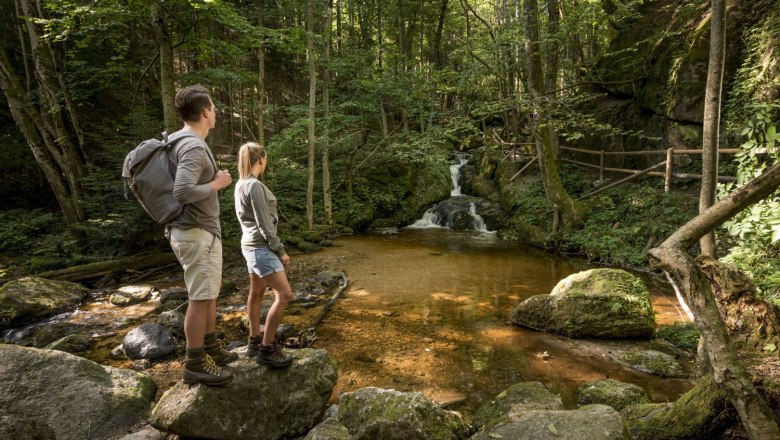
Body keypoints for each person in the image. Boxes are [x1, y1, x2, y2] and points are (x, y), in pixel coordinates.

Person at [168, 84, 237, 386]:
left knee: (209, 293)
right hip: (194, 232)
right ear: (205, 111)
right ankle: (194, 363)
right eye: (214, 107)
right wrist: (217, 184)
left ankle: (210, 349)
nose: (217, 112)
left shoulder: (177, 140)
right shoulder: (193, 146)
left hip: (196, 231)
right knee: (199, 297)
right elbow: (181, 191)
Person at [234, 142, 293, 369]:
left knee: (256, 292)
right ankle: (267, 348)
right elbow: (264, 223)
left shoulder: (241, 184)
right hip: (261, 247)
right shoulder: (255, 186)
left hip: (249, 245)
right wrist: (281, 250)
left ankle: (254, 340)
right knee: (285, 294)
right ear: (262, 159)